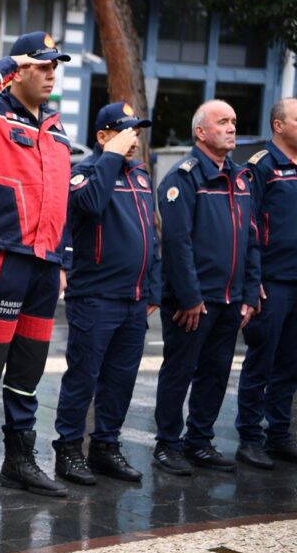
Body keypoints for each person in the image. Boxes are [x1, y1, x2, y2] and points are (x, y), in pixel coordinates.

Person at [0, 32, 73, 504]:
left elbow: (60, 200)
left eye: (53, 67)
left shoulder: (58, 129)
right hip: (0, 255)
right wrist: (8, 63)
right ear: (21, 70)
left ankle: (20, 461)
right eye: (42, 66)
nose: (50, 74)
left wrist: (62, 259)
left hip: (44, 264)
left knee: (28, 369)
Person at [52, 102, 160, 485]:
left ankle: (105, 446)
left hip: (133, 300)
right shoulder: (85, 173)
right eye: (124, 131)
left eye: (136, 131)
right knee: (84, 376)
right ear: (102, 136)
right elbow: (91, 204)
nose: (133, 139)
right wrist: (110, 158)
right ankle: (68, 449)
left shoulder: (142, 177)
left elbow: (151, 234)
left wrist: (153, 288)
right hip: (95, 296)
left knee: (121, 379)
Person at [153, 99, 260, 476]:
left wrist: (249, 293)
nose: (232, 127)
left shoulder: (242, 177)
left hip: (231, 299)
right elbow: (177, 244)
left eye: (234, 120)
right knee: (179, 371)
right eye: (222, 122)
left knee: (215, 373)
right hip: (193, 302)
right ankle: (167, 444)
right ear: (201, 132)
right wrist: (190, 297)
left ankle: (199, 441)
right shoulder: (182, 178)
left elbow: (251, 240)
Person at [235, 98, 297, 468]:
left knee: (290, 363)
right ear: (278, 125)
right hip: (272, 282)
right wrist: (252, 278)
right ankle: (249, 437)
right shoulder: (262, 167)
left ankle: (278, 434)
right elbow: (248, 226)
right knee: (262, 360)